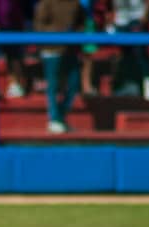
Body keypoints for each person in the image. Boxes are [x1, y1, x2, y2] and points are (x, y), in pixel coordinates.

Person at [34, 0, 85, 133]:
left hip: (71, 49)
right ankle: (55, 119)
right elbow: (39, 26)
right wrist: (58, 33)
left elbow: (81, 23)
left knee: (74, 83)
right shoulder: (46, 3)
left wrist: (76, 34)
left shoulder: (75, 4)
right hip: (52, 49)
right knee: (53, 85)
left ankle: (60, 116)